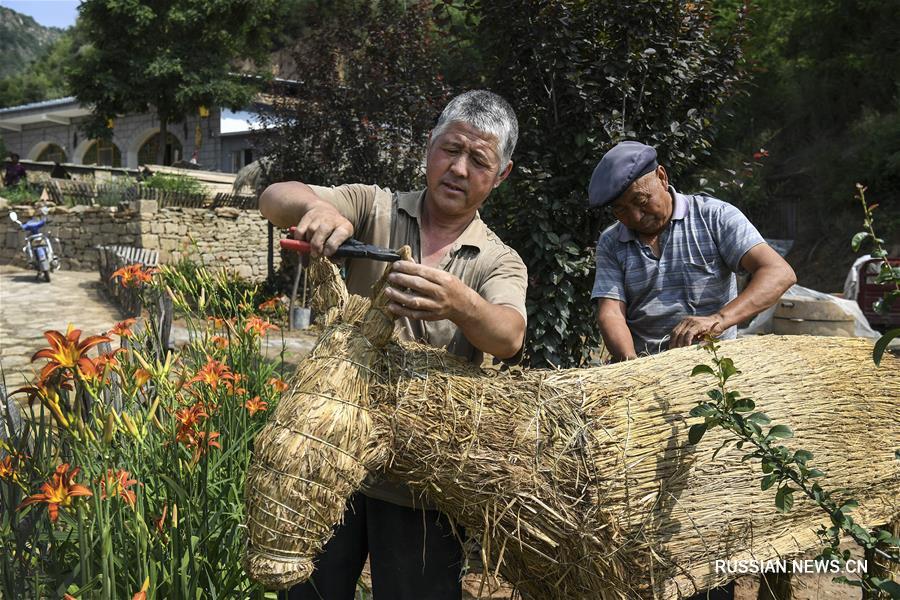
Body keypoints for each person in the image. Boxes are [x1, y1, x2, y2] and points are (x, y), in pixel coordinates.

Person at [259, 90, 527, 600]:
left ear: (501, 175)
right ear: (429, 146)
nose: (459, 169)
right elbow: (275, 196)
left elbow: (509, 334)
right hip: (329, 465)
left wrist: (461, 305)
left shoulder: (497, 259)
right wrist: (317, 210)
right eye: (451, 149)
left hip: (422, 486)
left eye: (479, 160)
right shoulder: (372, 207)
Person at [589, 141, 796, 362]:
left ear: (662, 177)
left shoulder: (715, 217)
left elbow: (779, 273)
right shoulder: (611, 242)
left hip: (714, 365)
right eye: (621, 210)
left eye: (641, 201)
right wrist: (632, 364)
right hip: (646, 365)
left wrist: (719, 319)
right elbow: (611, 312)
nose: (636, 217)